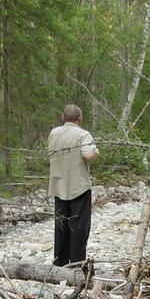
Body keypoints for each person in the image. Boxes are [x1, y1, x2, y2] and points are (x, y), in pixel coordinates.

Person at [48, 104, 99, 266]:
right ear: (80, 118)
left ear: (63, 117)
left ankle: (59, 264)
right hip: (79, 187)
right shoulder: (83, 134)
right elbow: (88, 155)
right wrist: (96, 151)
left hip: (58, 186)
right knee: (79, 229)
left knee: (61, 227)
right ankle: (76, 265)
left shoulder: (53, 133)